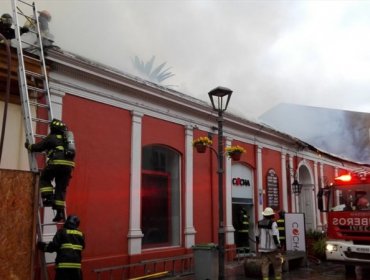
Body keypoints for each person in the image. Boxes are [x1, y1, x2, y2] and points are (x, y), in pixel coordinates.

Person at [25, 118, 76, 222]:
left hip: (56, 163)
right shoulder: (67, 140)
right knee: (61, 188)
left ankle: (48, 198)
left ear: (53, 128)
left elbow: (38, 147)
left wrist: (29, 146)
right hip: (69, 166)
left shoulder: (51, 137)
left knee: (44, 178)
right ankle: (59, 213)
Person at [38, 215, 85, 280]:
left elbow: (53, 246)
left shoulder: (62, 232)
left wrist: (43, 246)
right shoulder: (81, 234)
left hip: (63, 267)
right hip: (76, 268)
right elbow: (82, 247)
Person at [256, 207, 282, 280]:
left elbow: (257, 236)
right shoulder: (273, 223)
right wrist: (278, 246)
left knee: (264, 266)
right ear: (271, 215)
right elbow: (275, 235)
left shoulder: (258, 223)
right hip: (272, 249)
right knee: (277, 265)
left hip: (263, 249)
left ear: (264, 215)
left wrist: (258, 245)